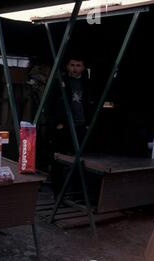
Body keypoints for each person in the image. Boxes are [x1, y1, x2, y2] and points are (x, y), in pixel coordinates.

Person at [50, 55, 94, 198]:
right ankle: (58, 193)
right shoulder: (61, 81)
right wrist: (57, 123)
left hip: (80, 126)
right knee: (59, 159)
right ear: (68, 66)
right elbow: (50, 103)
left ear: (83, 67)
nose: (75, 68)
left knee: (79, 161)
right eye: (73, 65)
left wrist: (87, 124)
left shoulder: (86, 83)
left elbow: (89, 104)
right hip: (64, 126)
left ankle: (77, 193)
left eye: (78, 65)